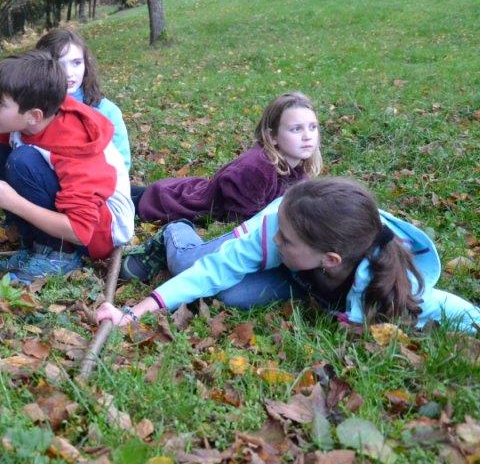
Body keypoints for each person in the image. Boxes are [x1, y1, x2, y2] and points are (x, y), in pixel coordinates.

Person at [97, 178, 480, 334]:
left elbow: (447, 308)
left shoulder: (388, 281)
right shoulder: (273, 232)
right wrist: (134, 312)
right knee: (191, 268)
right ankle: (176, 231)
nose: (277, 238)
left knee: (232, 295)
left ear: (330, 260)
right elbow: (212, 271)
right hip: (277, 255)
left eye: (287, 239)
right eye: (279, 231)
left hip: (301, 270)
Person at [0, 50, 134, 281]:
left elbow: (80, 230)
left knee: (22, 160)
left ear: (34, 116)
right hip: (77, 222)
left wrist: (14, 203)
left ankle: (59, 256)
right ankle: (34, 246)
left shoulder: (74, 145)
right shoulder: (32, 120)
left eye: (0, 103)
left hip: (102, 232)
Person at [135, 92, 322, 224]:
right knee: (123, 198)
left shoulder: (298, 164)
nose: (308, 136)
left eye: (312, 127)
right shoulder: (256, 169)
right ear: (272, 136)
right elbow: (242, 226)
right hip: (168, 204)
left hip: (187, 190)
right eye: (296, 129)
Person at [34, 28, 131, 171]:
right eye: (59, 65)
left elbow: (122, 165)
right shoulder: (33, 108)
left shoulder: (107, 111)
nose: (69, 73)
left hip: (94, 181)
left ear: (86, 64)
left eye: (76, 63)